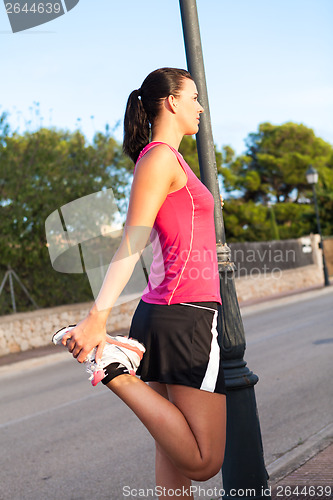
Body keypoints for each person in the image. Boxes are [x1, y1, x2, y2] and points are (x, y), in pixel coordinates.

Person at [55, 67, 227, 499]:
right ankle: (114, 367)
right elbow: (131, 243)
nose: (200, 107)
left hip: (168, 313)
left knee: (174, 461)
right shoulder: (160, 157)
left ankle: (116, 361)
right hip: (184, 315)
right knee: (204, 461)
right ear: (171, 101)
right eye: (193, 97)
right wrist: (98, 319)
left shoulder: (168, 158)